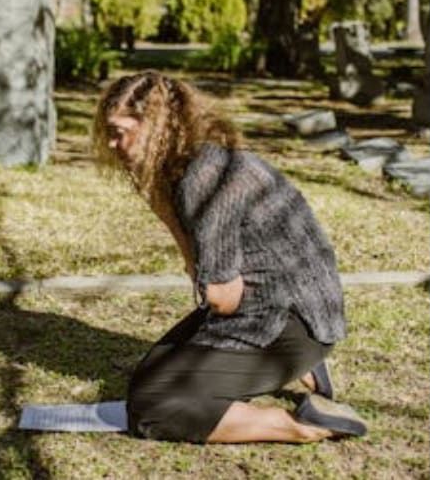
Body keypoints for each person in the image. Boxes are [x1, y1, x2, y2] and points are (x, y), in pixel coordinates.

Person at [91, 70, 366, 444]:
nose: (112, 143)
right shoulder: (196, 165)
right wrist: (162, 206)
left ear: (156, 127)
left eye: (120, 132)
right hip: (292, 308)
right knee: (148, 378)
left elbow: (222, 297)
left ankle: (305, 425)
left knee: (153, 407)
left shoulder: (203, 178)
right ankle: (305, 369)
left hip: (288, 321)